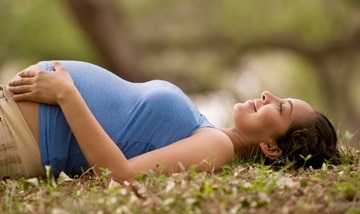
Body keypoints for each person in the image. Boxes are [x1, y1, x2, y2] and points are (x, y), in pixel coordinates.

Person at [1, 60, 339, 181]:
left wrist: (66, 94)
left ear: (271, 148)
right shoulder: (208, 131)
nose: (268, 95)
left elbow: (120, 175)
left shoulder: (217, 147)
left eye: (280, 109)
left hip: (17, 136)